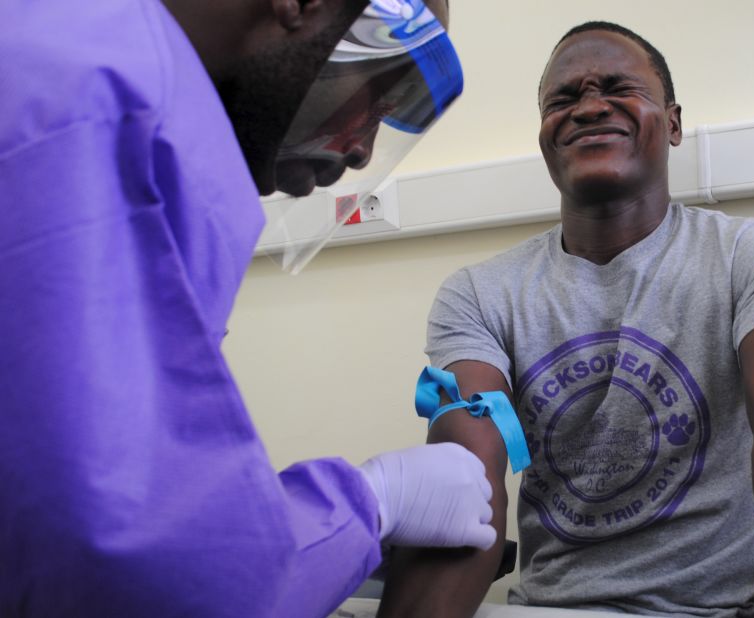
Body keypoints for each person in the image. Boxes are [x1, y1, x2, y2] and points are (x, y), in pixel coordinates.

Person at [379, 21, 754, 618]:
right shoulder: (479, 295)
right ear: (544, 138)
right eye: (562, 99)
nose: (589, 107)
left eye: (618, 88)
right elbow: (465, 476)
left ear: (672, 123)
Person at [0, 1, 496, 616]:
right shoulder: (99, 100)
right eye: (380, 93)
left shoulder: (72, 47)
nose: (366, 150)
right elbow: (140, 576)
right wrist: (369, 503)